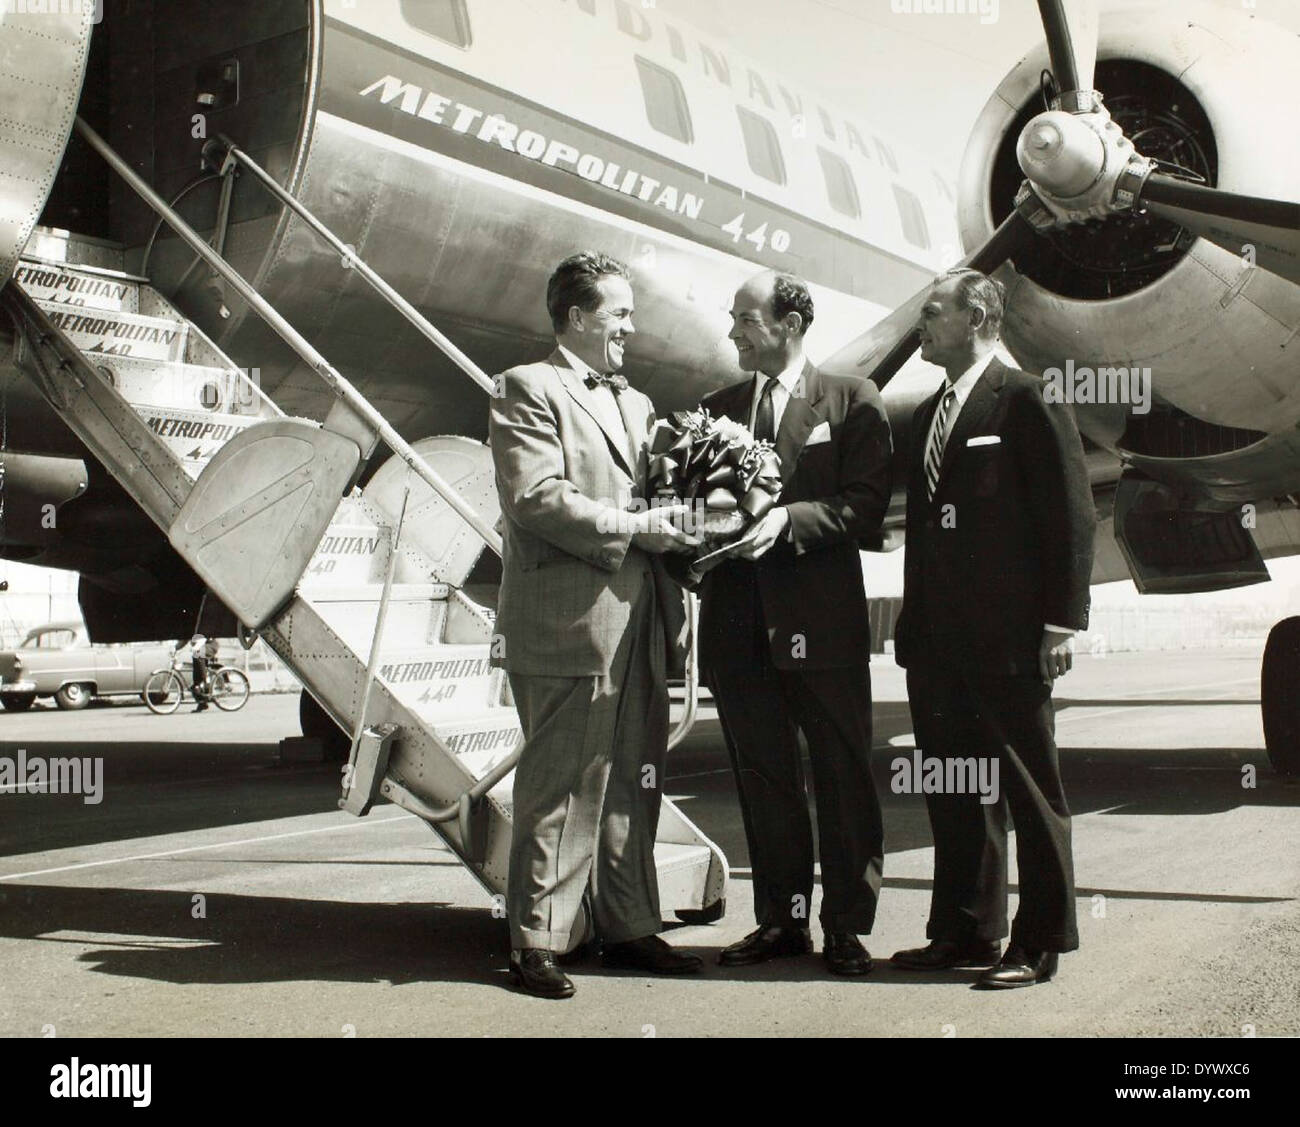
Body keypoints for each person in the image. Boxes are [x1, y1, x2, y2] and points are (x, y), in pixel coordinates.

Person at [488, 251, 703, 999]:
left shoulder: (638, 403)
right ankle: (536, 939)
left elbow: (649, 495)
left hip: (638, 618)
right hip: (568, 622)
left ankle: (629, 921)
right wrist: (638, 526)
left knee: (634, 777)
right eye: (618, 314)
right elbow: (536, 496)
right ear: (577, 317)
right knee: (559, 782)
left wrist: (687, 516)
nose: (631, 328)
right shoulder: (527, 387)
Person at [890, 267, 1096, 988]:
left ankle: (1038, 941)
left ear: (976, 316)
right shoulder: (927, 416)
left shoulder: (1029, 398)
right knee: (954, 787)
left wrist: (1060, 624)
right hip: (938, 644)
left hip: (1008, 640)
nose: (921, 323)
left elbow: (1071, 516)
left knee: (1029, 789)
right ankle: (966, 931)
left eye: (932, 312)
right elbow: (921, 532)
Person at [694, 270, 893, 975]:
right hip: (739, 630)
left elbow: (865, 504)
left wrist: (788, 520)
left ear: (791, 324)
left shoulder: (850, 401)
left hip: (822, 625)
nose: (734, 332)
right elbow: (695, 512)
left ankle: (845, 924)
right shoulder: (714, 412)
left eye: (746, 318)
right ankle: (781, 920)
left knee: (842, 777)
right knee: (765, 778)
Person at [189, 634, 218, 712]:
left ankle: (206, 684)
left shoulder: (199, 627)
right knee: (195, 684)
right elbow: (183, 641)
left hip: (210, 646)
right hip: (200, 648)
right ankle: (202, 703)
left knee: (198, 654)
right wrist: (175, 649)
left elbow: (203, 639)